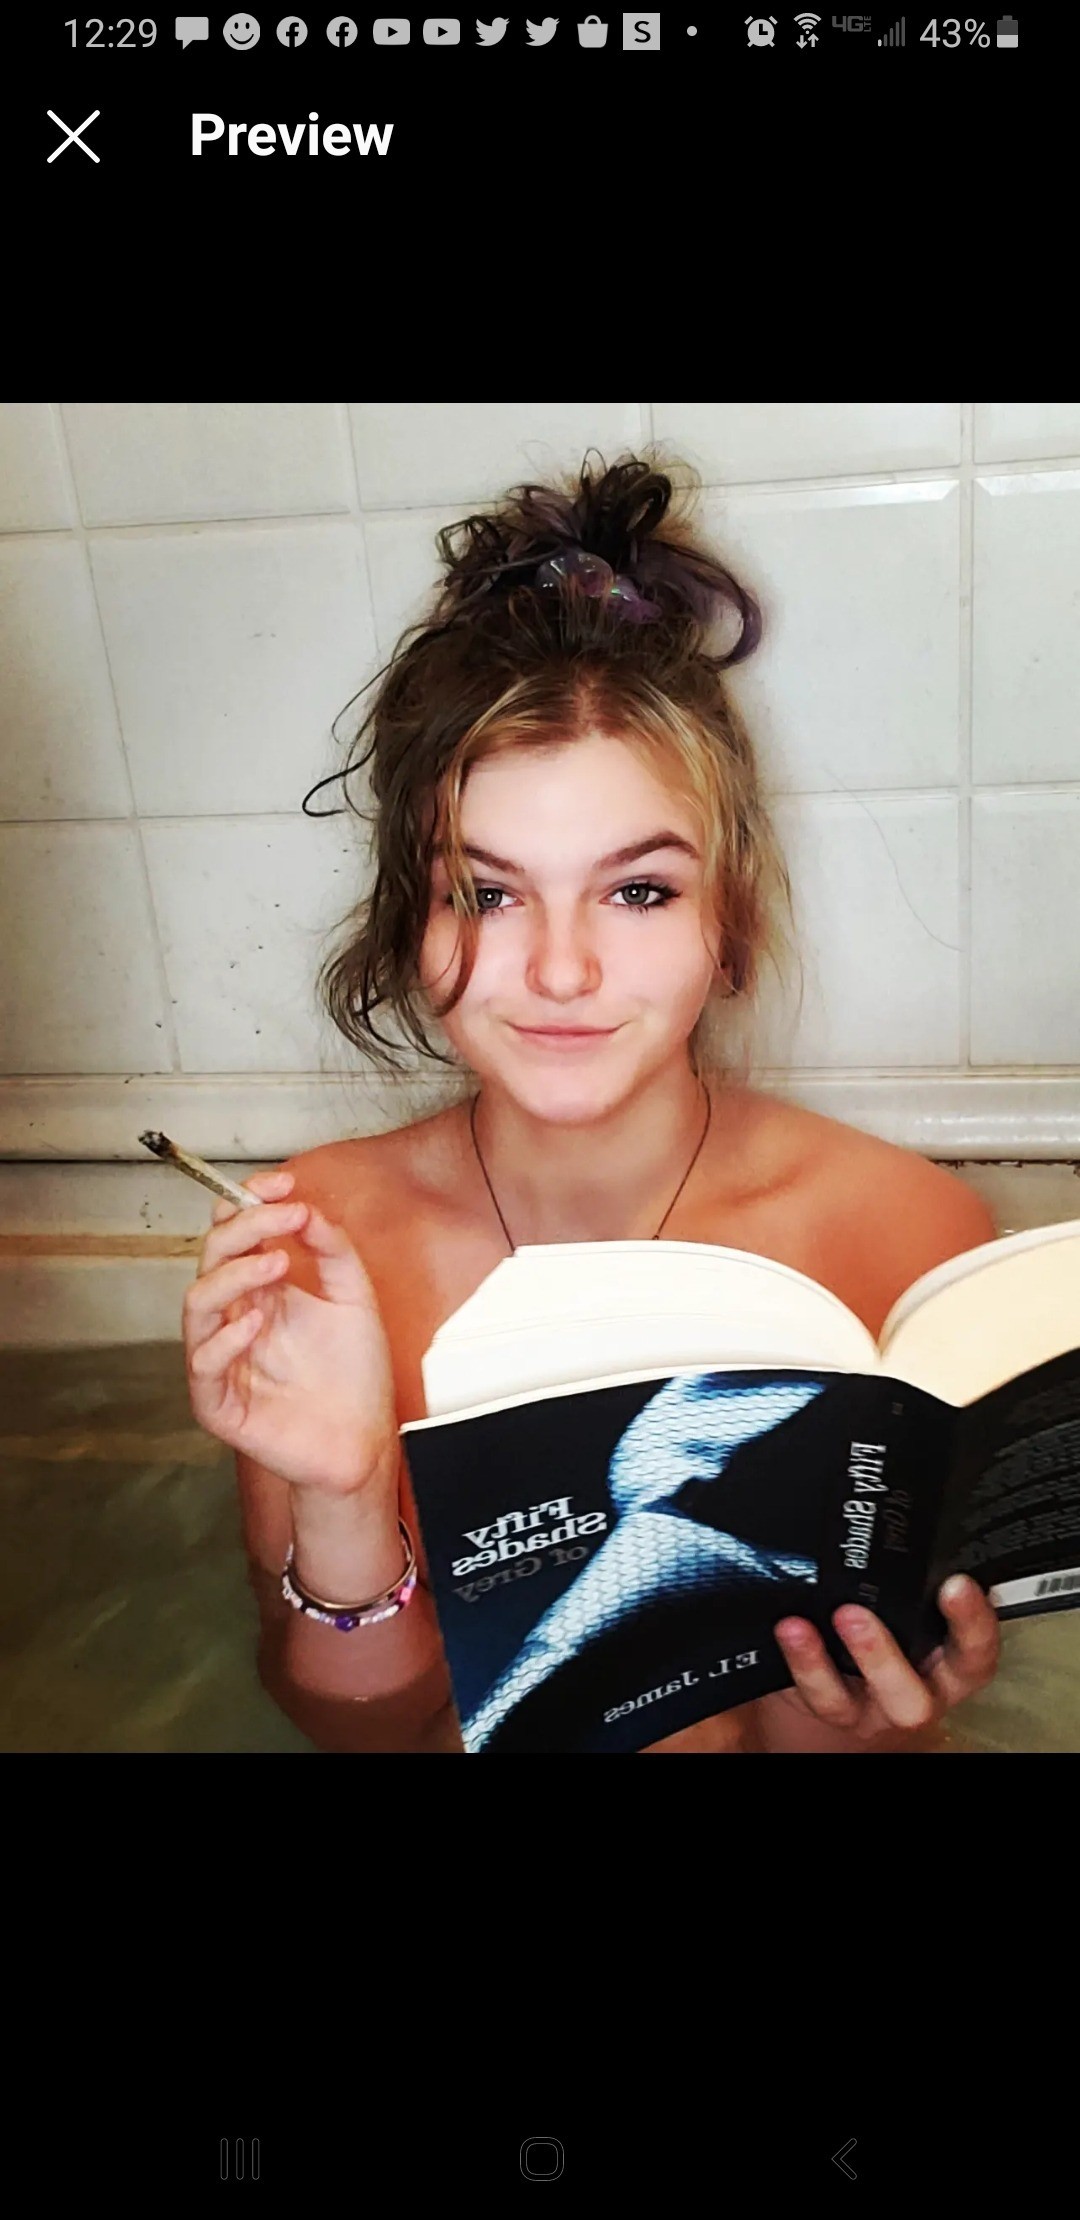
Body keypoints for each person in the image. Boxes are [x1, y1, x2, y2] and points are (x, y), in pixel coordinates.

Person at [183, 452, 1001, 1753]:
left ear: (730, 922)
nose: (561, 971)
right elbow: (359, 1728)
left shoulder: (913, 1240)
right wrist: (346, 1498)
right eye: (488, 893)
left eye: (637, 891)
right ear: (408, 929)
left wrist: (863, 1719)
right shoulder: (319, 1242)